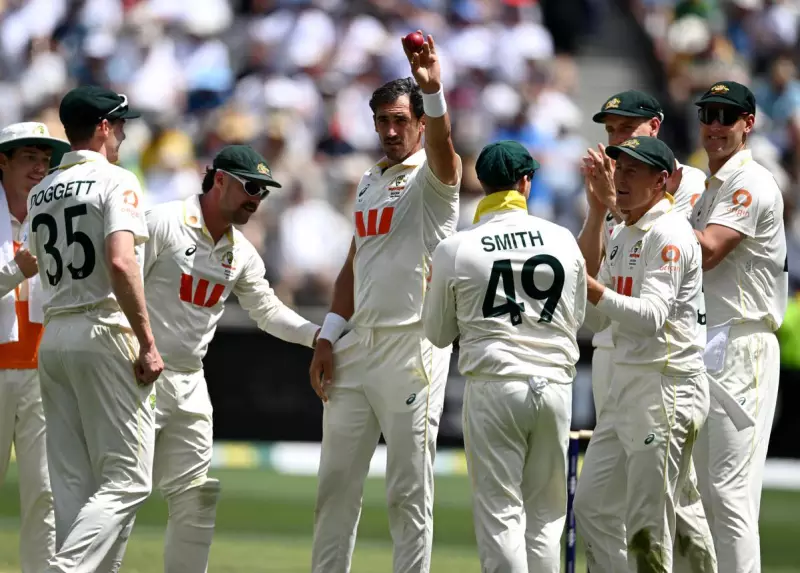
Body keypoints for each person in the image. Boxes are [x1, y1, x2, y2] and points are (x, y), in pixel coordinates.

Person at [308, 32, 461, 573]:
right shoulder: (370, 179)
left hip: (413, 344)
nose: (391, 131)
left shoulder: (434, 178)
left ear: (419, 123)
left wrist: (433, 91)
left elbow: (445, 150)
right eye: (382, 122)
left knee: (407, 488)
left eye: (400, 120)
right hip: (359, 345)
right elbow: (354, 263)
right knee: (335, 484)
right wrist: (328, 336)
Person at [132, 145, 320, 572]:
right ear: (219, 179)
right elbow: (119, 285)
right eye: (250, 187)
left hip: (190, 381)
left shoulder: (242, 253)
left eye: (263, 192)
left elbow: (267, 311)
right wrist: (133, 348)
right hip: (138, 374)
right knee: (124, 490)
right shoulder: (163, 222)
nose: (257, 199)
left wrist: (319, 336)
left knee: (197, 497)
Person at [422, 141, 586, 573]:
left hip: (495, 385)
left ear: (482, 183)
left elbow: (437, 334)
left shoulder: (457, 247)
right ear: (526, 183)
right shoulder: (563, 239)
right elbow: (577, 318)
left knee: (501, 513)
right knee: (547, 516)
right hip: (555, 385)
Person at [28, 86, 164, 573]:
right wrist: (147, 341)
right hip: (103, 330)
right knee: (128, 480)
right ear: (104, 127)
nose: (123, 135)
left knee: (73, 486)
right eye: (121, 125)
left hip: (54, 336)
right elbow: (121, 263)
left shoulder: (40, 190)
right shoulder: (117, 180)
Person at [579, 90, 716, 570]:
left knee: (649, 523)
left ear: (661, 181)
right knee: (592, 507)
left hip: (666, 386)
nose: (620, 178)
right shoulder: (624, 229)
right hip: (626, 380)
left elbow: (652, 315)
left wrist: (591, 289)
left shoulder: (670, 231)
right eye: (618, 168)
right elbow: (596, 318)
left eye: (633, 171)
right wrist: (586, 289)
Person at [690, 81, 788, 573]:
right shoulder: (711, 188)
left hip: (743, 343)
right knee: (702, 493)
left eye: (726, 116)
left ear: (747, 124)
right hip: (708, 341)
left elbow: (707, 251)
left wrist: (652, 219)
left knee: (729, 493)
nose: (714, 125)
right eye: (707, 114)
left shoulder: (750, 181)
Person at [0, 122, 68, 573]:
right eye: (29, 157)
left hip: (42, 370)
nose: (39, 168)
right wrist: (15, 270)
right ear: (2, 161)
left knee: (45, 490)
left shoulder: (58, 218)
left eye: (45, 160)